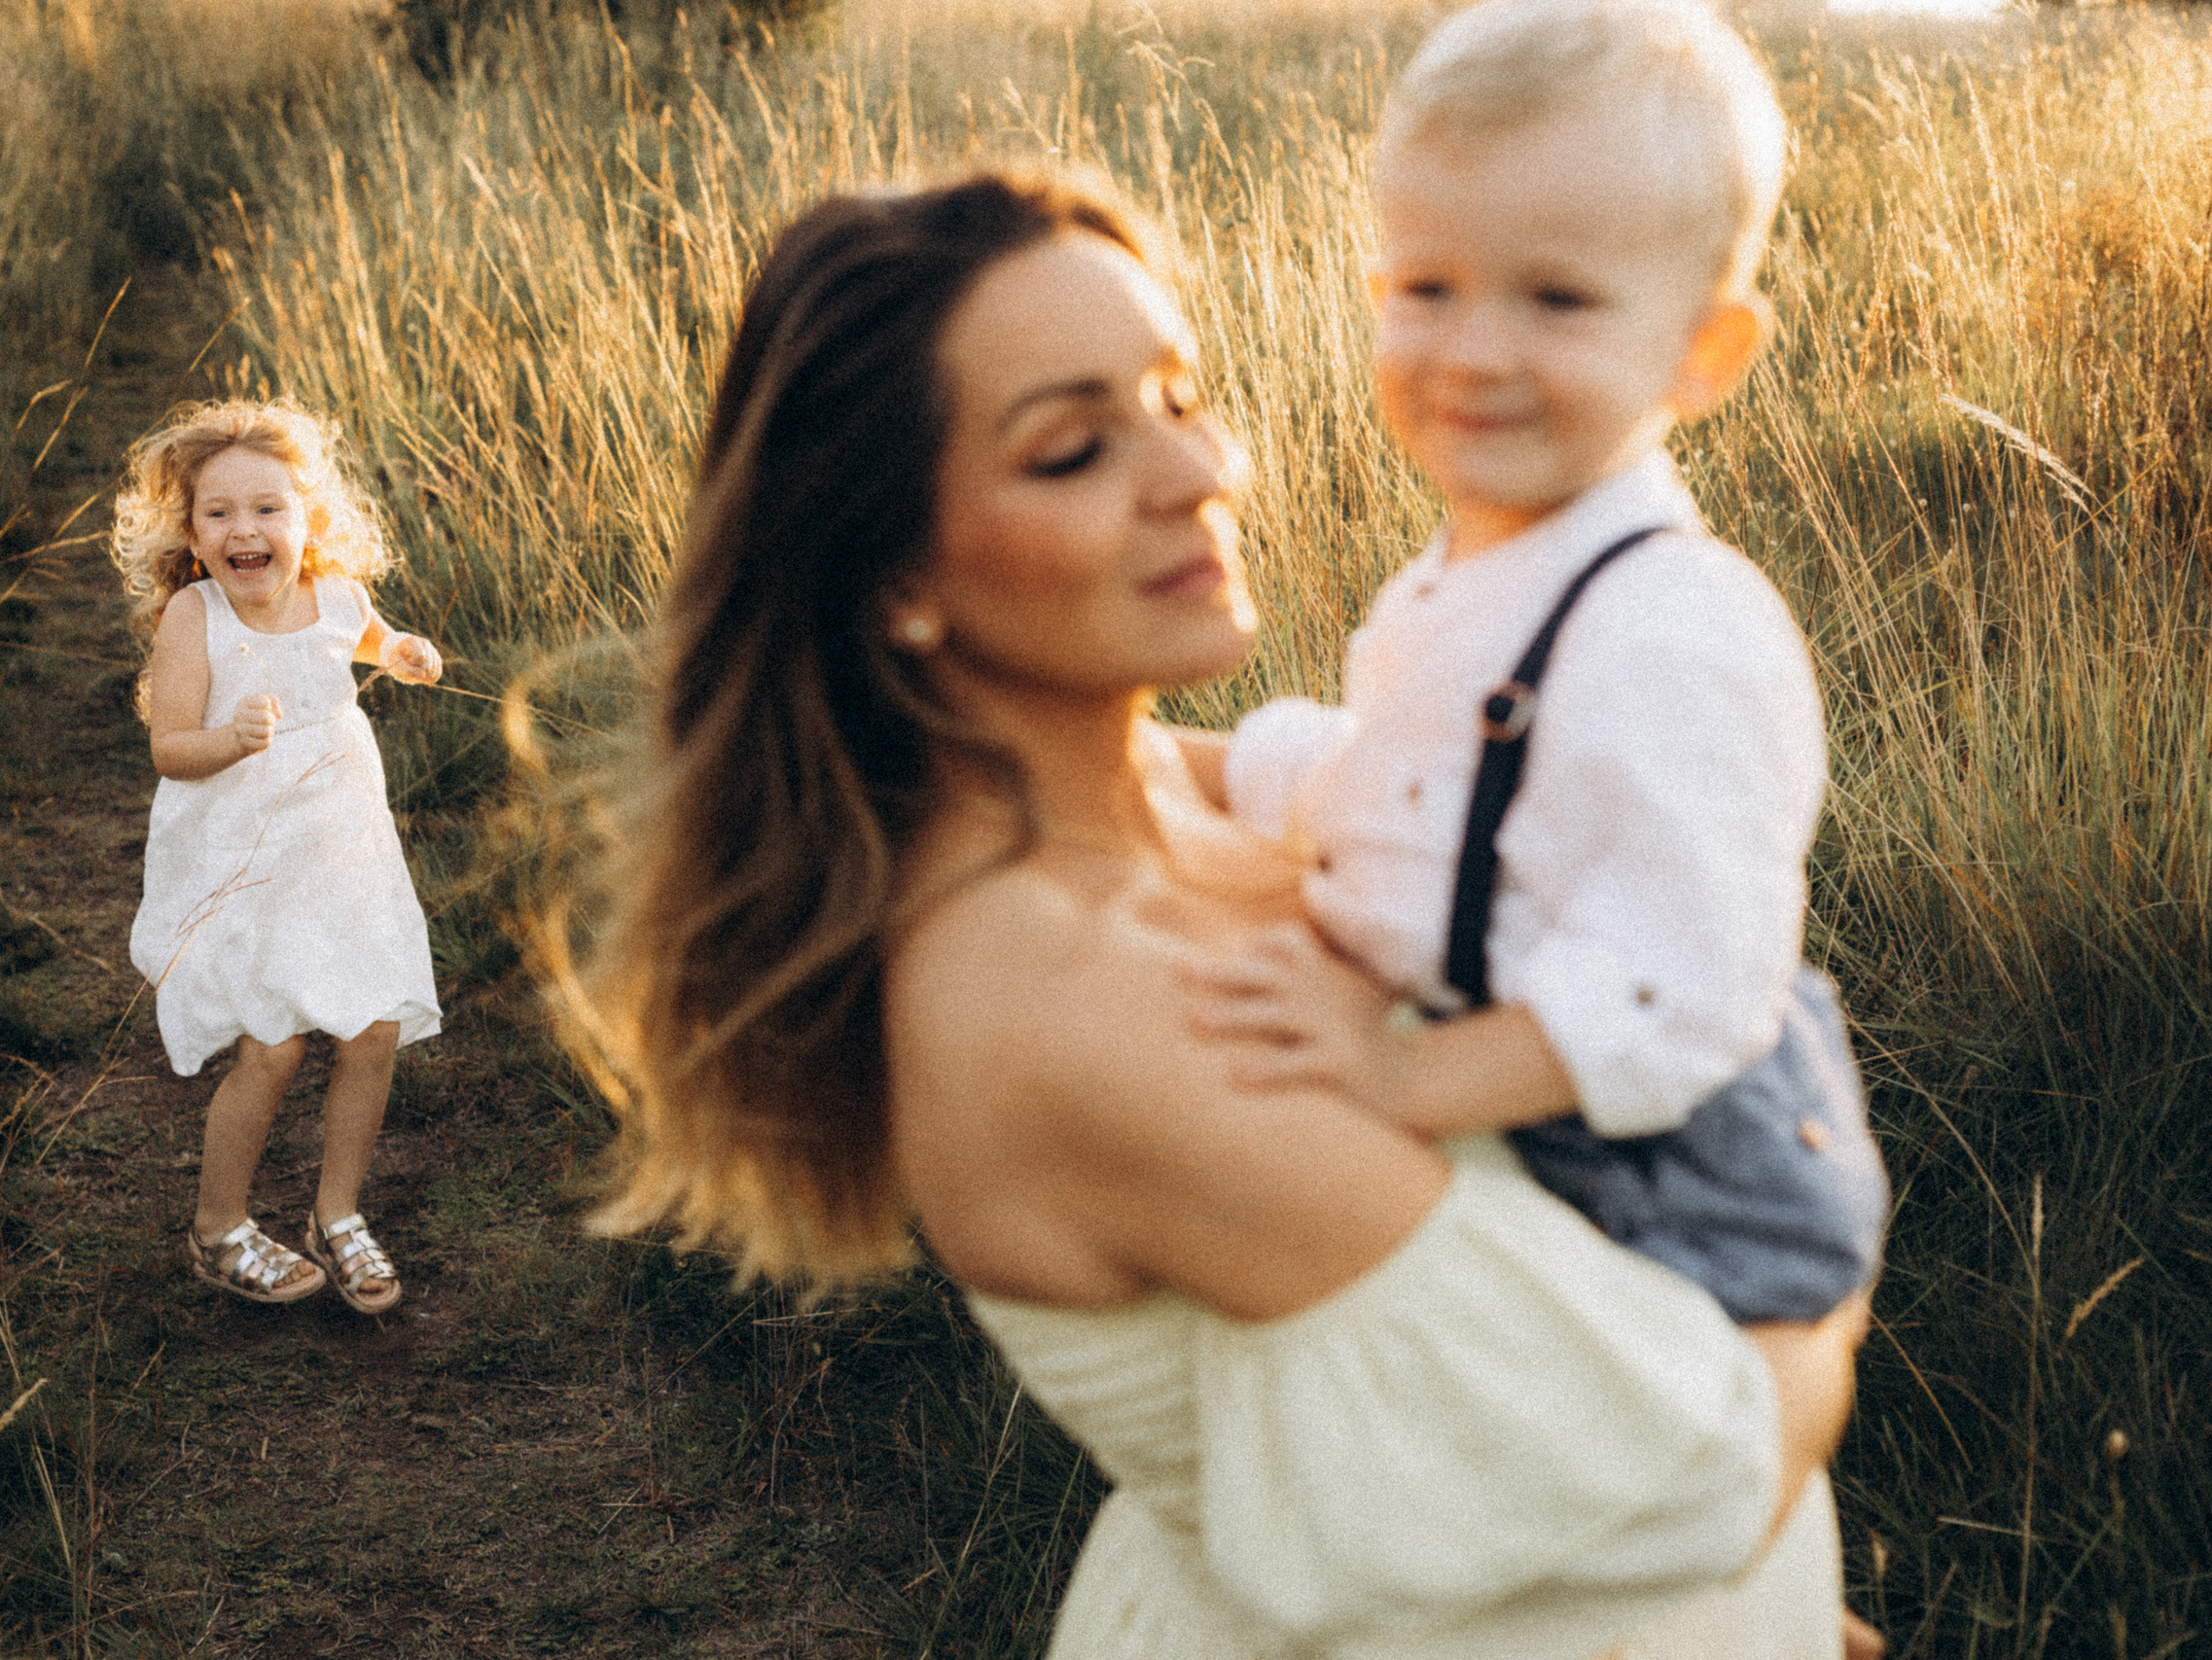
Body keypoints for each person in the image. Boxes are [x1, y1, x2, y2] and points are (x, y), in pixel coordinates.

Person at [548, 170, 1870, 1657]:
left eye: (1180, 393)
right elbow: (1690, 1476)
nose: (1197, 469)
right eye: (1072, 449)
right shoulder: (1062, 986)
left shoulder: (1191, 793)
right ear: (897, 573)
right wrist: (1828, 1284)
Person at [1193, 0, 1888, 1336]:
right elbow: (1410, 795)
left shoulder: (1680, 625)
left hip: (1653, 1193)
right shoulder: (1482, 574)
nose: (1474, 351)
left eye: (1556, 298)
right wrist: (1189, 762)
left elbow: (1682, 985)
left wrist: (1398, 1083)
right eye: (1426, 288)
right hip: (1511, 1106)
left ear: (1702, 352)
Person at [117, 398, 443, 1314]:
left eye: (268, 508)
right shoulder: (196, 615)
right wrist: (231, 737)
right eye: (219, 513)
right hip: (251, 858)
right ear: (191, 532)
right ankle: (219, 1227)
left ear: (309, 521)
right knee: (275, 1045)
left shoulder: (336, 596)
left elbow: (363, 641)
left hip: (344, 852)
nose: (244, 529)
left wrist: (402, 649)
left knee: (374, 1028)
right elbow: (170, 747)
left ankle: (336, 1213)